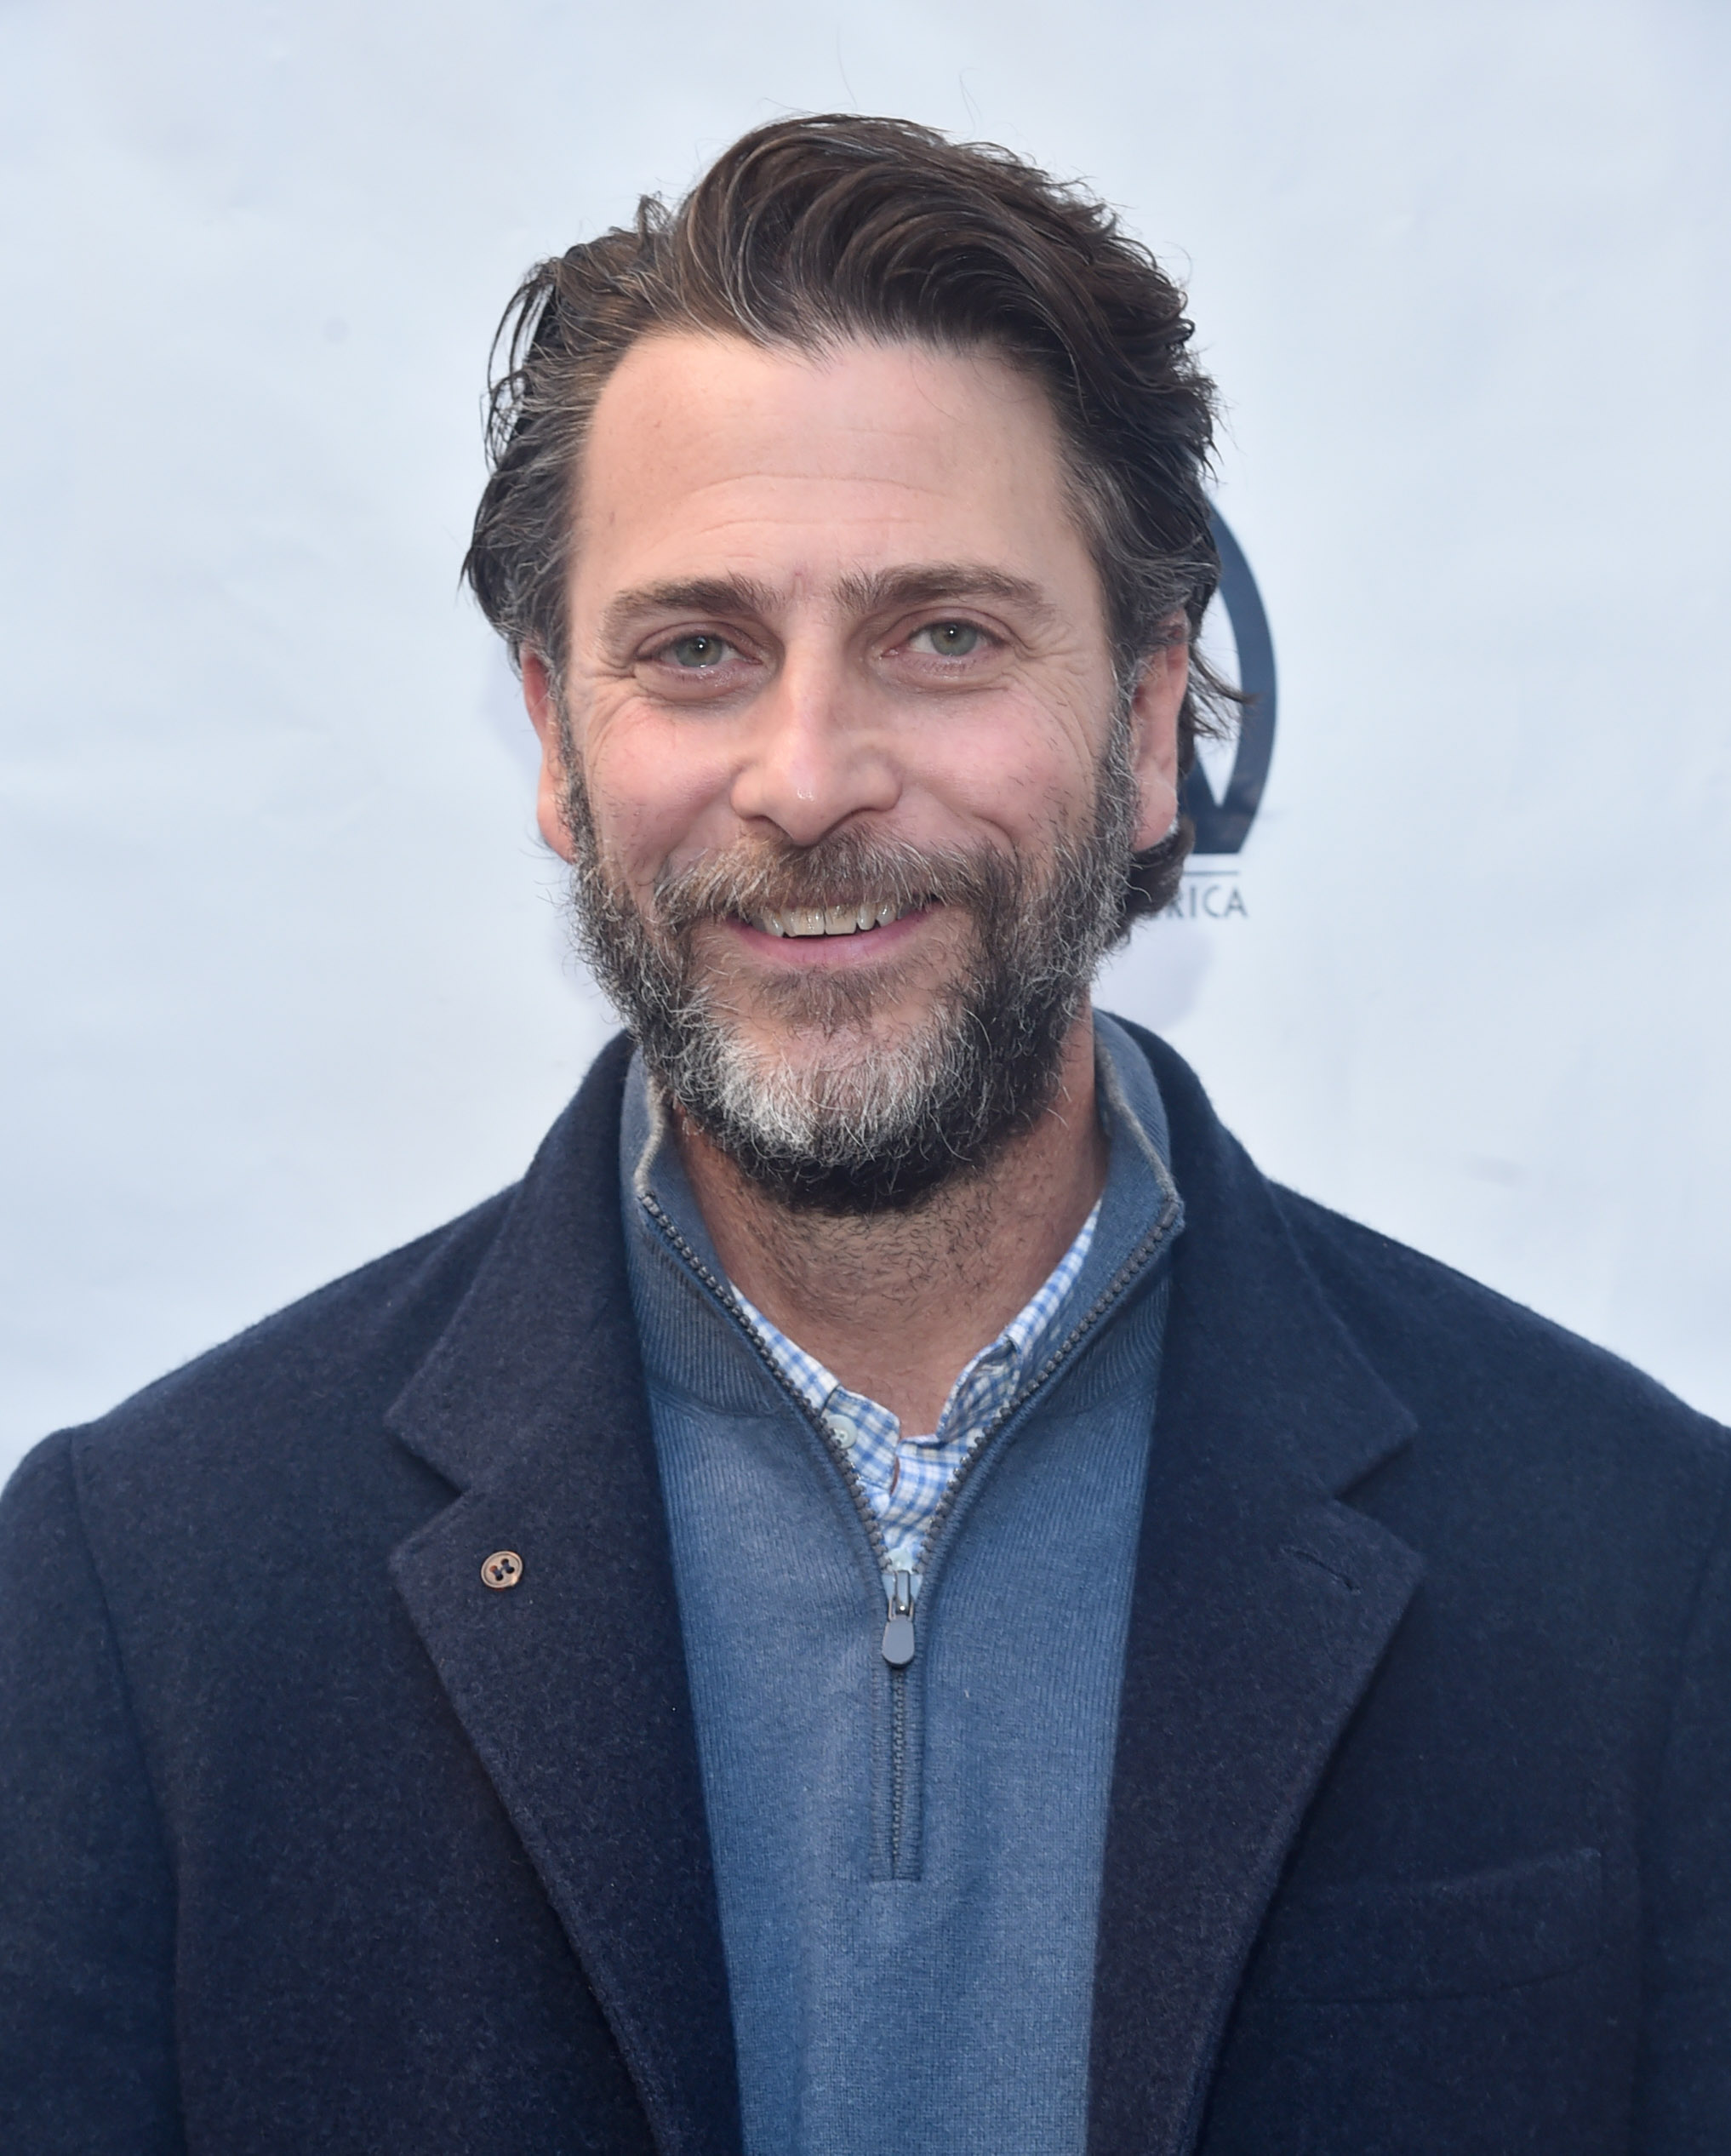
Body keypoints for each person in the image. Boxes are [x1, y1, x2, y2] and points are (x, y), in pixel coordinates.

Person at [1, 113, 1726, 2156]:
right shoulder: (148, 1598)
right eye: (698, 650)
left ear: (1149, 725)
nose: (808, 775)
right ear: (555, 741)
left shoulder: (1637, 1574)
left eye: (946, 636)